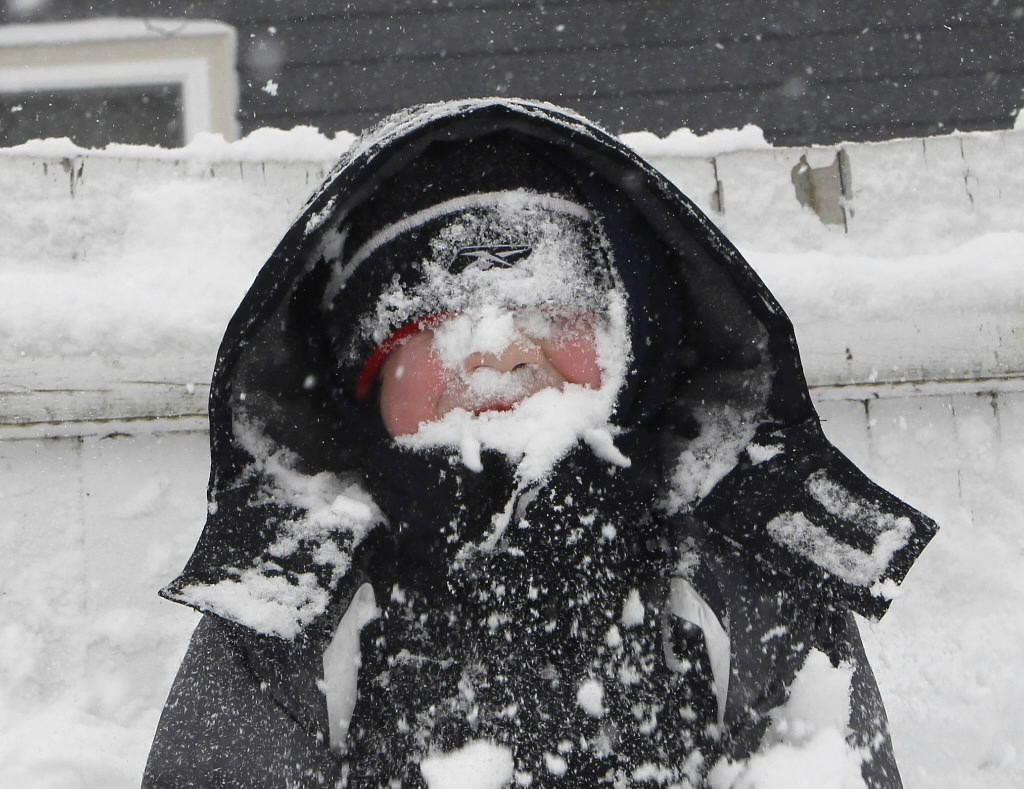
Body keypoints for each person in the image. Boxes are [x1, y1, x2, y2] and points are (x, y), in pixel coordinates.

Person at [142, 99, 937, 789]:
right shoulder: (292, 606)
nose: (498, 347)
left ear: (634, 349)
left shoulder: (742, 566)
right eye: (434, 321)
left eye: (550, 308)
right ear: (366, 380)